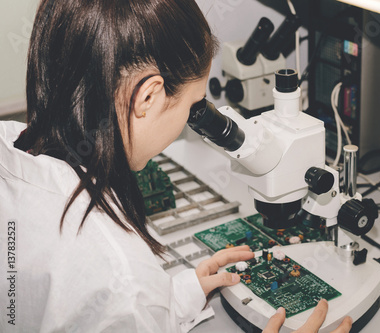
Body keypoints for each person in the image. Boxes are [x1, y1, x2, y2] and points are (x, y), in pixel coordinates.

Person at [0, 0, 352, 332]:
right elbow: (118, 300)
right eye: (194, 105)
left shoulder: (9, 146)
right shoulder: (121, 281)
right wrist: (143, 300)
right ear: (149, 96)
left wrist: (169, 299)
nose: (194, 118)